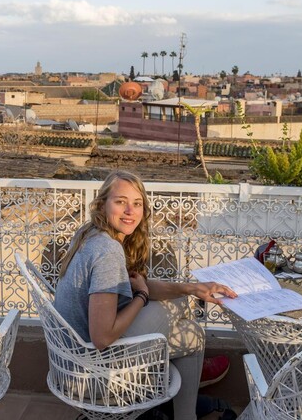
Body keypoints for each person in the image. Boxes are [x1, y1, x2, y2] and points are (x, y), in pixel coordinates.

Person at [55, 170, 237, 420]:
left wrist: (192, 288)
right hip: (95, 377)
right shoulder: (107, 250)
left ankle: (186, 405)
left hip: (71, 367)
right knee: (179, 306)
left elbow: (137, 284)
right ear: (102, 204)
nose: (130, 211)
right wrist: (141, 295)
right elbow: (102, 337)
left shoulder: (90, 233)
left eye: (137, 203)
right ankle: (179, 374)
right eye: (121, 202)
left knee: (193, 334)